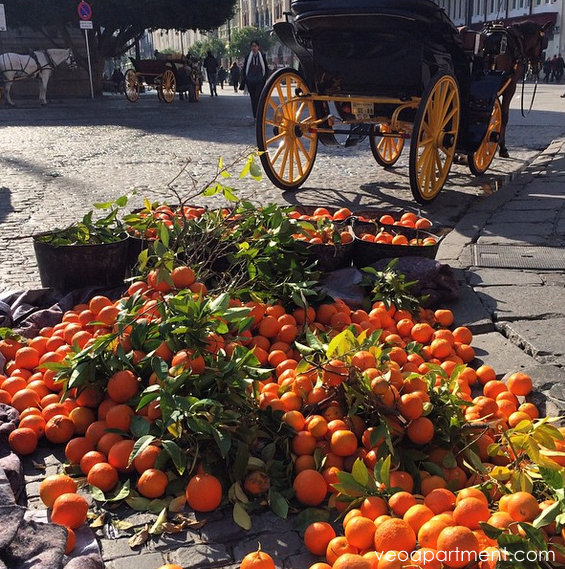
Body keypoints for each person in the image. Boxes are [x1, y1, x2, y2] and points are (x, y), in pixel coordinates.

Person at [240, 40, 269, 119]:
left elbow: (265, 68)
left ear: (258, 47)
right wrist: (245, 79)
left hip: (260, 80)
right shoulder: (248, 57)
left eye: (255, 46)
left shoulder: (262, 56)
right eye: (252, 46)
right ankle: (255, 116)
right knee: (253, 98)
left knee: (258, 97)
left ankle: (259, 114)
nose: (254, 48)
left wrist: (265, 78)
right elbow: (245, 68)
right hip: (250, 81)